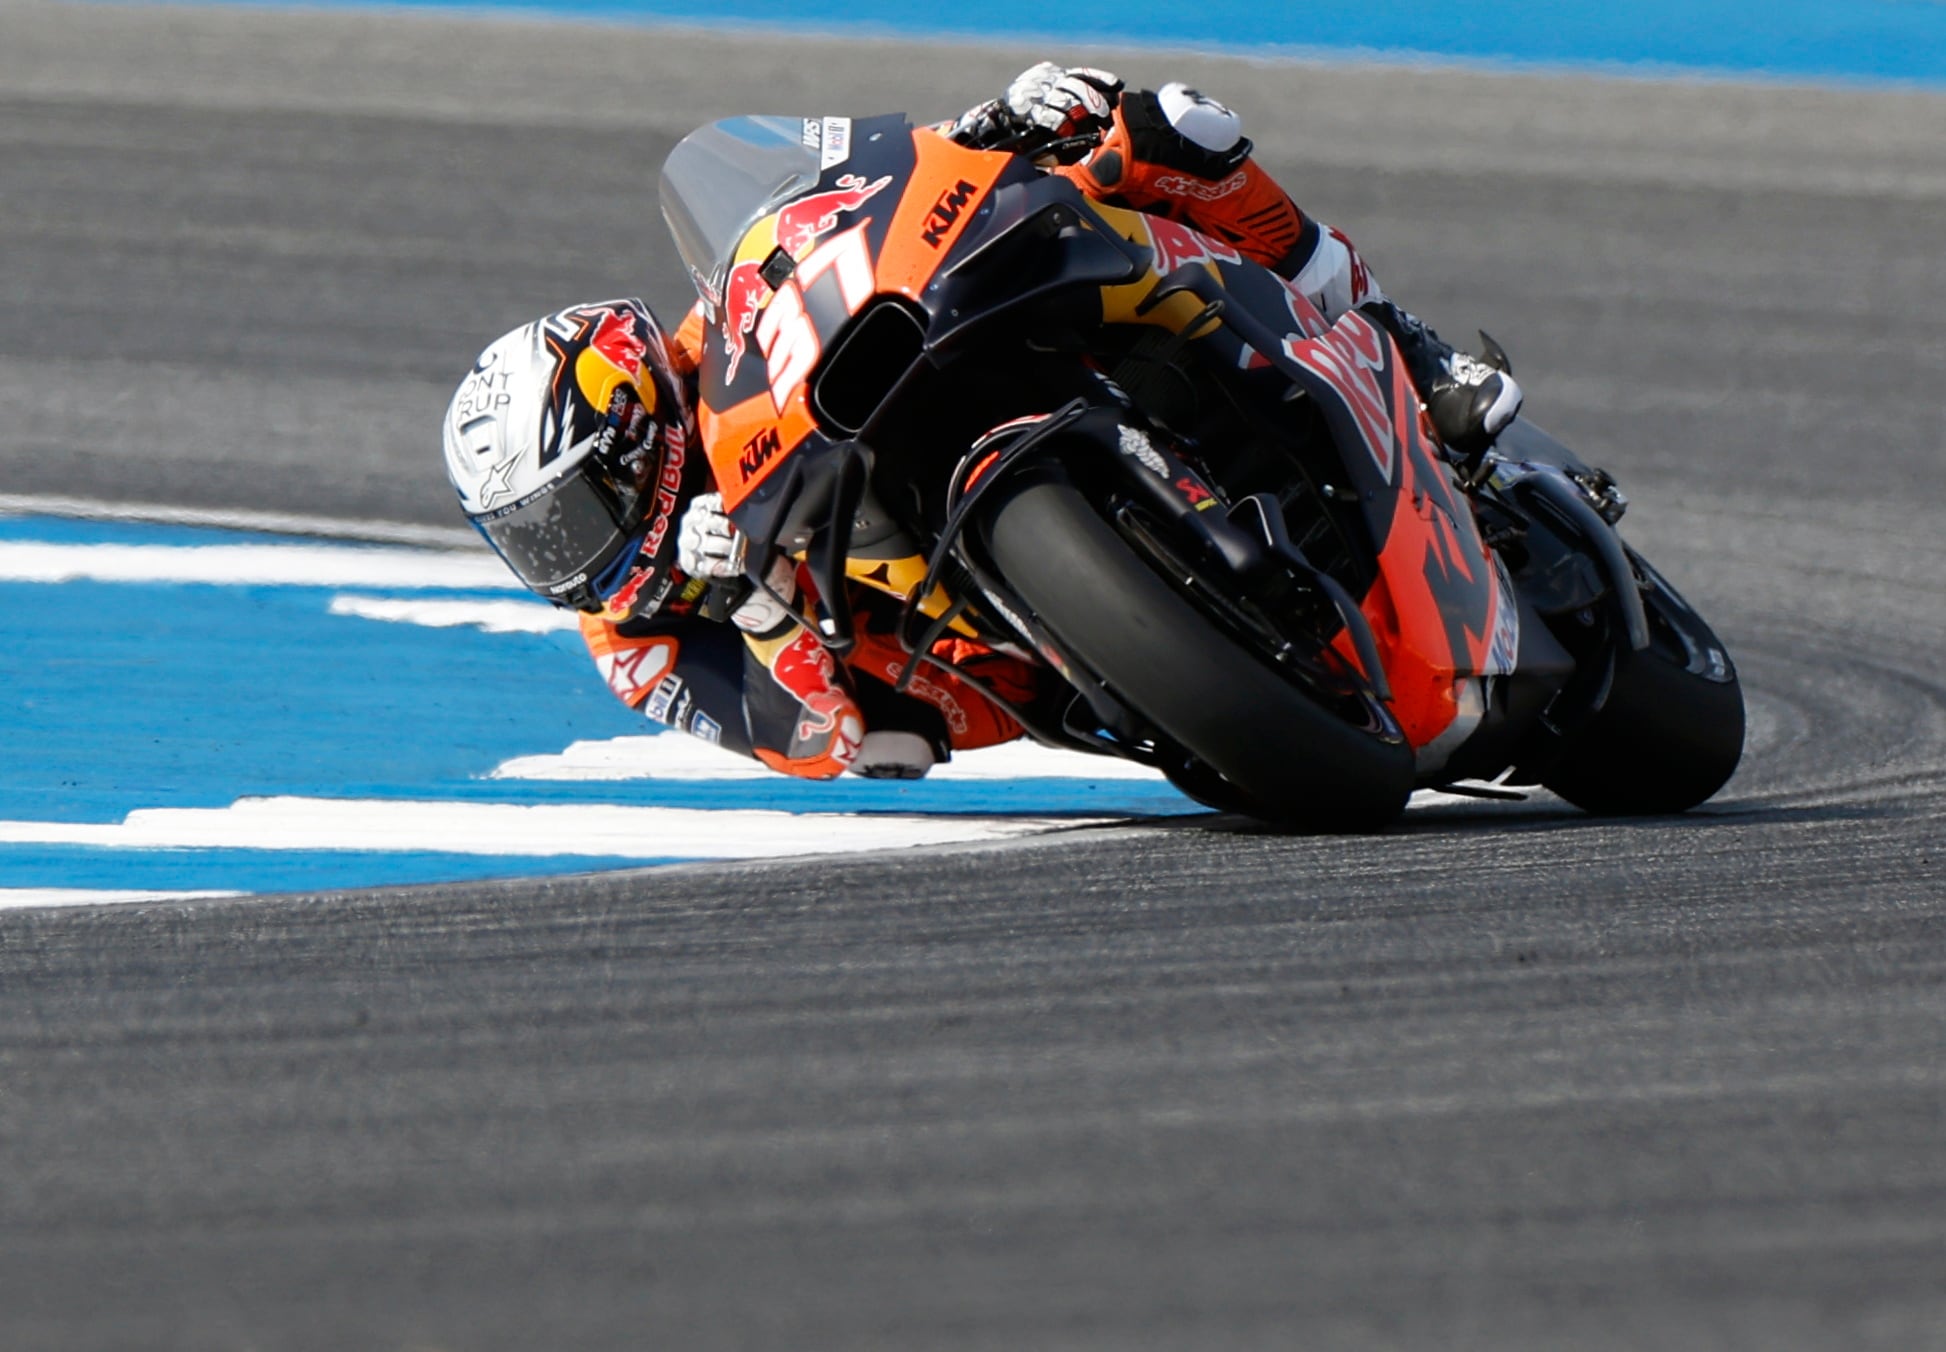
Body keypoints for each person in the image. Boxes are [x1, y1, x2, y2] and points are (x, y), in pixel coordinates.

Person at [440, 64, 1523, 781]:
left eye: (575, 510)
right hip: (956, 654)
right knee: (898, 739)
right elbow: (824, 742)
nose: (569, 556)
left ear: (636, 424)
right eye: (534, 539)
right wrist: (760, 610)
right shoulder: (633, 642)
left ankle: (1407, 345)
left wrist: (983, 130)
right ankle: (1153, 671)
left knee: (1162, 128)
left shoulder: (708, 338)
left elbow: (834, 185)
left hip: (932, 367)